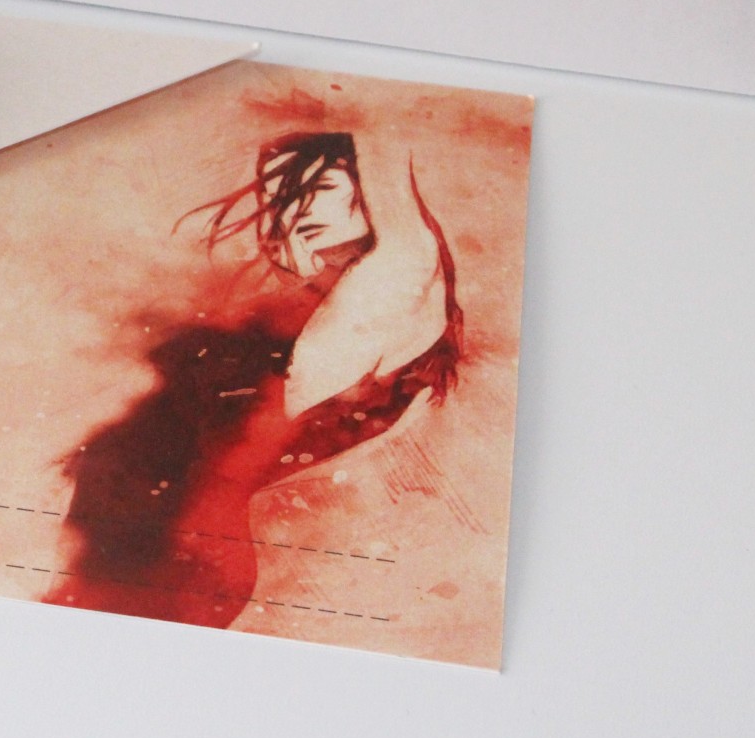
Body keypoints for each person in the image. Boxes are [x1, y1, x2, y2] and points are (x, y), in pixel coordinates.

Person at [44, 130, 462, 627]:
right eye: (276, 197)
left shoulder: (397, 273)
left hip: (183, 560)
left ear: (372, 190)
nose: (290, 206)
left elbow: (383, 126)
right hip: (153, 552)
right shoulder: (323, 305)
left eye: (318, 187)